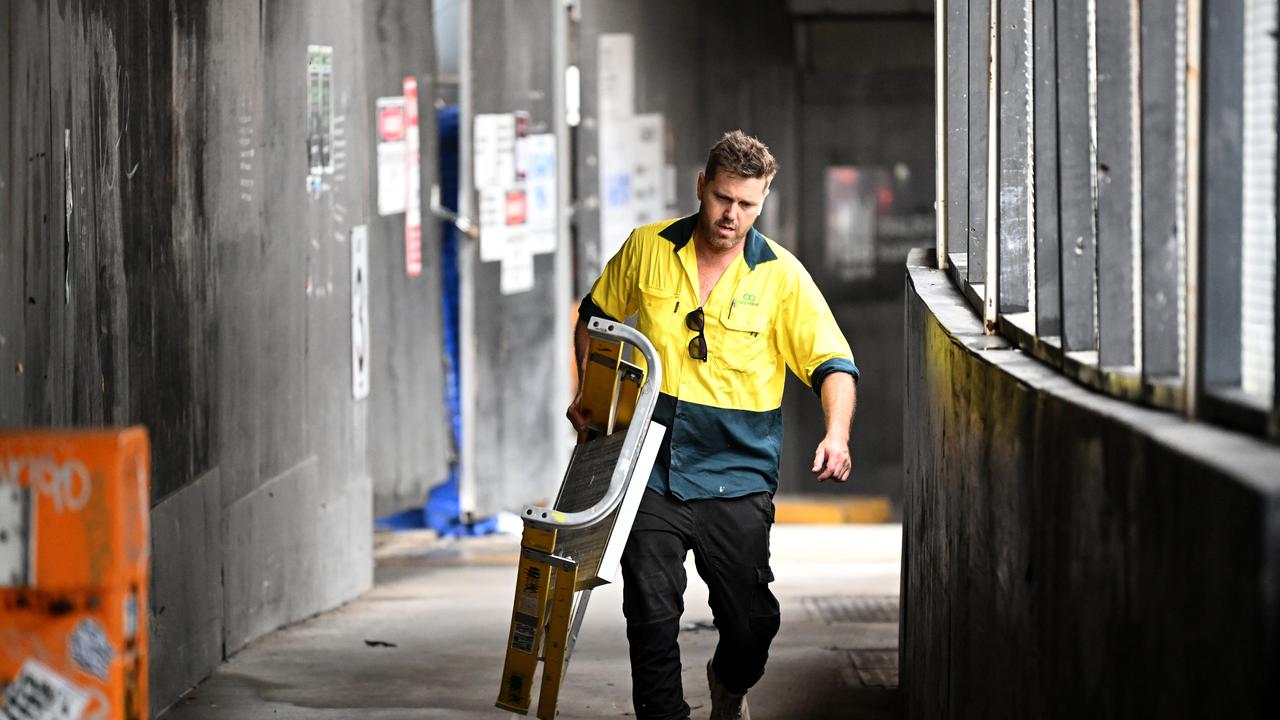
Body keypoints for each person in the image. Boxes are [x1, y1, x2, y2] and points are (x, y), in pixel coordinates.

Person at [567, 130, 858, 720]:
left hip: (738, 471)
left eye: (748, 204)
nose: (732, 215)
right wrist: (589, 393)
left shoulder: (782, 277)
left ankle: (728, 684)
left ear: (763, 200)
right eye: (724, 198)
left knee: (751, 625)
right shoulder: (648, 248)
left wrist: (837, 434)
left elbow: (833, 364)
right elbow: (595, 317)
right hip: (649, 464)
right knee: (650, 613)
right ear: (702, 186)